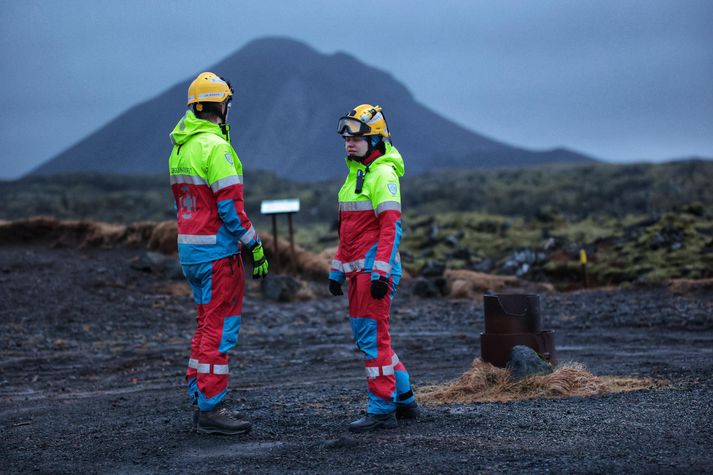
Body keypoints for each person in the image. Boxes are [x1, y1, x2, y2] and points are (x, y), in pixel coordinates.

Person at [168, 71, 269, 435]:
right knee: (220, 329)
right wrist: (254, 244)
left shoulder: (181, 147)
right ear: (221, 106)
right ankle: (211, 409)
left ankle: (199, 395)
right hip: (217, 255)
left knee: (204, 325)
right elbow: (231, 209)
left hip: (191, 252)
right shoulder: (216, 148)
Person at [329, 104, 420, 433]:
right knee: (371, 338)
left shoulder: (382, 174)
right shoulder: (358, 174)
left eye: (357, 138)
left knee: (372, 340)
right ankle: (405, 400)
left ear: (376, 140)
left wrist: (381, 273)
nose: (349, 144)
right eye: (346, 139)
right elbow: (349, 231)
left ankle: (382, 408)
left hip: (373, 272)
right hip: (359, 272)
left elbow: (391, 228)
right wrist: (337, 270)